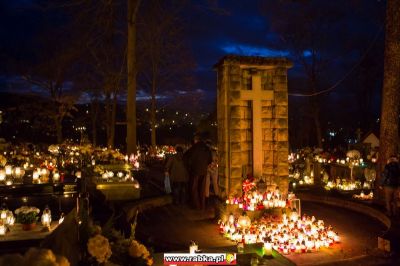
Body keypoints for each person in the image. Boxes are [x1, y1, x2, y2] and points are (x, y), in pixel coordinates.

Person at [184, 134, 212, 210]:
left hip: (195, 171)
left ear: (196, 140)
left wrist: (189, 167)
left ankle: (197, 206)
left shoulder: (194, 148)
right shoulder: (206, 148)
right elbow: (210, 160)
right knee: (202, 189)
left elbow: (188, 158)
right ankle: (202, 206)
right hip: (204, 170)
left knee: (194, 189)